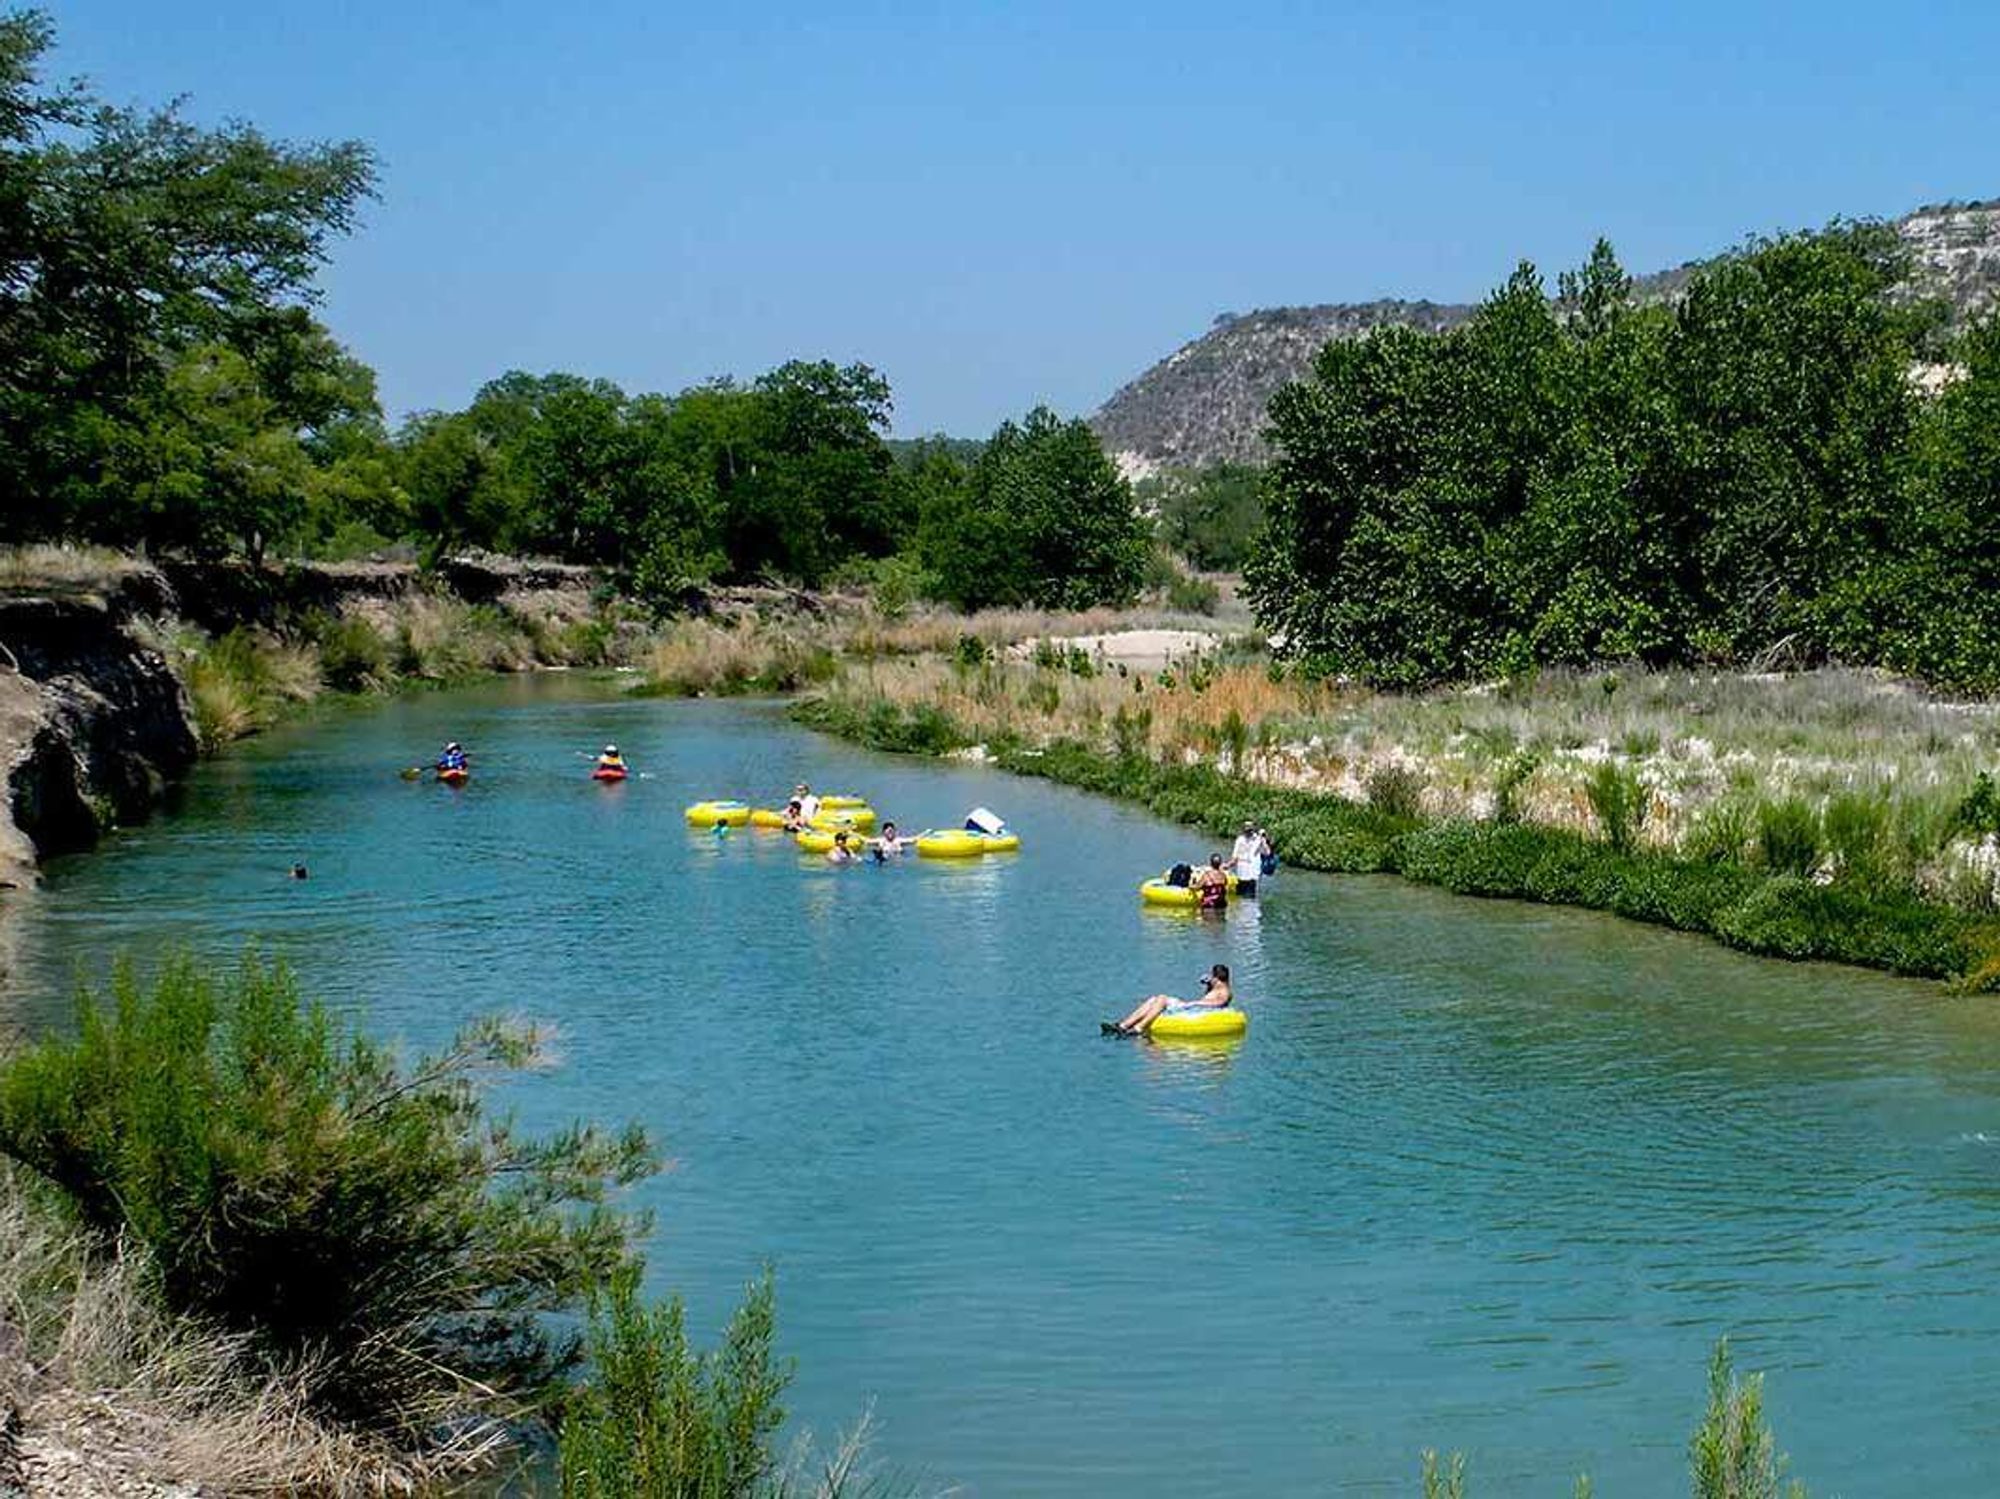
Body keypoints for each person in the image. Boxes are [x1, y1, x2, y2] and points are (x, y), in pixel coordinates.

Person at [1111, 964, 1233, 1035]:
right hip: (1193, 1008)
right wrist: (1207, 984)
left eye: (1212, 976)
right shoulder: (1215, 986)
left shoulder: (1224, 991)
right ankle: (1123, 1025)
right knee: (1154, 999)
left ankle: (1140, 1028)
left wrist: (1194, 1002)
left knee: (1162, 998)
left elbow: (1219, 1003)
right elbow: (1209, 993)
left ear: (1217, 978)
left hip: (1194, 1008)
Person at [1231, 821, 1263, 899]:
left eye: (1249, 829)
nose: (1248, 831)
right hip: (1241, 875)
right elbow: (1234, 859)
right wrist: (1225, 866)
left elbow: (1267, 852)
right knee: (1241, 897)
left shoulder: (1258, 839)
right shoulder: (1239, 840)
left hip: (1252, 876)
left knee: (1249, 898)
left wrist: (1263, 838)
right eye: (1246, 830)